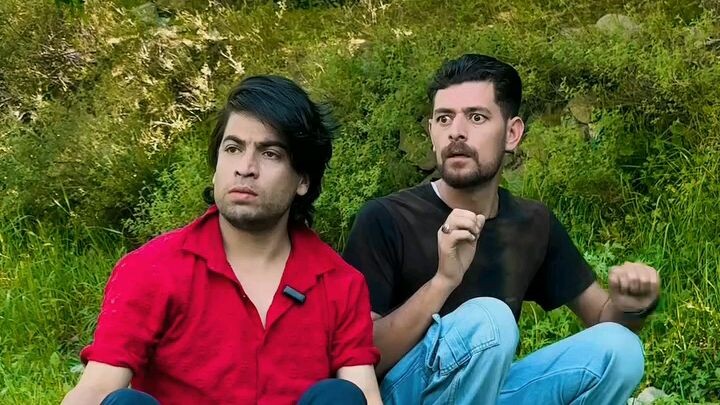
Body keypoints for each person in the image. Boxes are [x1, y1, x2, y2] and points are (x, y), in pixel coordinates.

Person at [343, 54, 661, 405]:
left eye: (476, 117)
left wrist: (631, 307)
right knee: (489, 321)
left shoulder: (532, 222)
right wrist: (442, 282)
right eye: (444, 118)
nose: (456, 131)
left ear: (512, 133)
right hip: (401, 395)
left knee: (620, 348)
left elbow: (602, 318)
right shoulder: (386, 218)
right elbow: (357, 359)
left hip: (488, 394)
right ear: (431, 132)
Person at [63, 75, 382, 405]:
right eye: (233, 149)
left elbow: (366, 395)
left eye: (270, 153)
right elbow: (96, 388)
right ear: (216, 168)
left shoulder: (340, 283)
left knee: (341, 397)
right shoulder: (152, 269)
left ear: (303, 179)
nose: (245, 168)